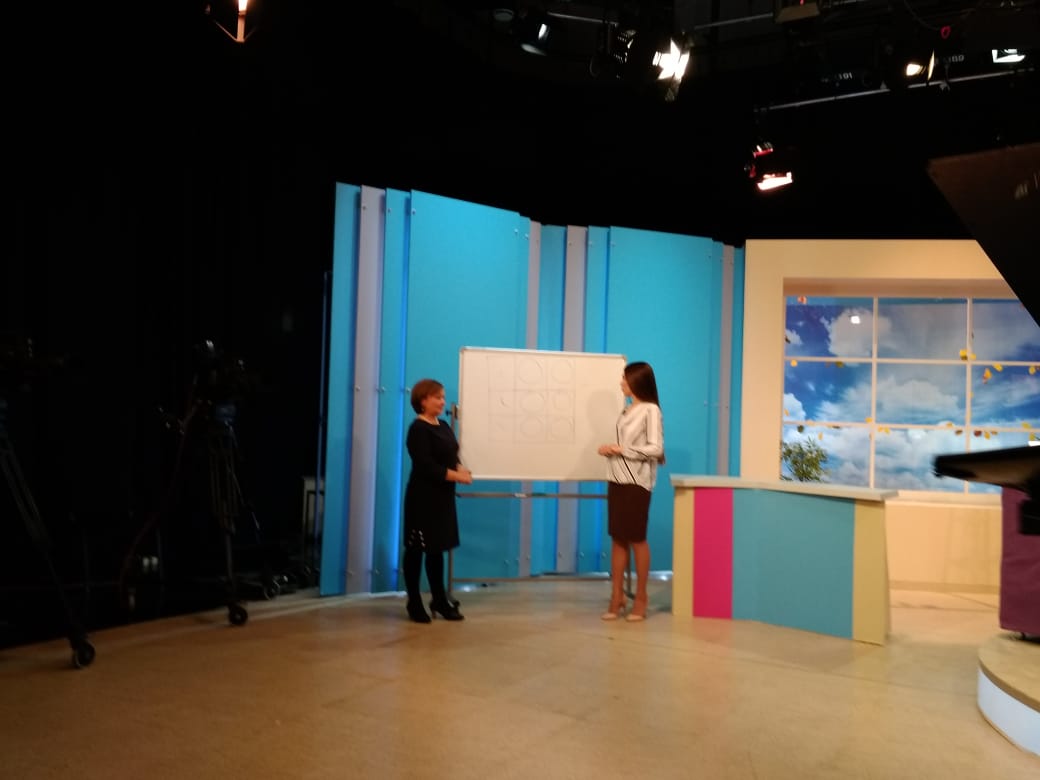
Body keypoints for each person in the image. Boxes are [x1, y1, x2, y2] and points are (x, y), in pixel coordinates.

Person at [597, 361, 664, 622]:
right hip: (616, 479)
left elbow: (656, 449)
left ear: (637, 381)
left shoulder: (650, 410)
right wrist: (611, 450)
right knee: (617, 538)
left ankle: (641, 598)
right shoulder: (626, 410)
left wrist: (621, 450)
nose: (621, 382)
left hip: (637, 482)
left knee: (637, 538)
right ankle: (617, 596)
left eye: (625, 378)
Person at [402, 378, 472, 623]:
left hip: (443, 498)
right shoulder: (418, 429)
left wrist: (461, 469)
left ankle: (439, 600)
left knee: (437, 549)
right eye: (437, 397)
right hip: (423, 498)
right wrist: (457, 476)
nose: (442, 401)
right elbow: (426, 466)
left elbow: (452, 455)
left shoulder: (443, 425)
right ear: (423, 400)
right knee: (416, 549)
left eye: (442, 397)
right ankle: (414, 601)